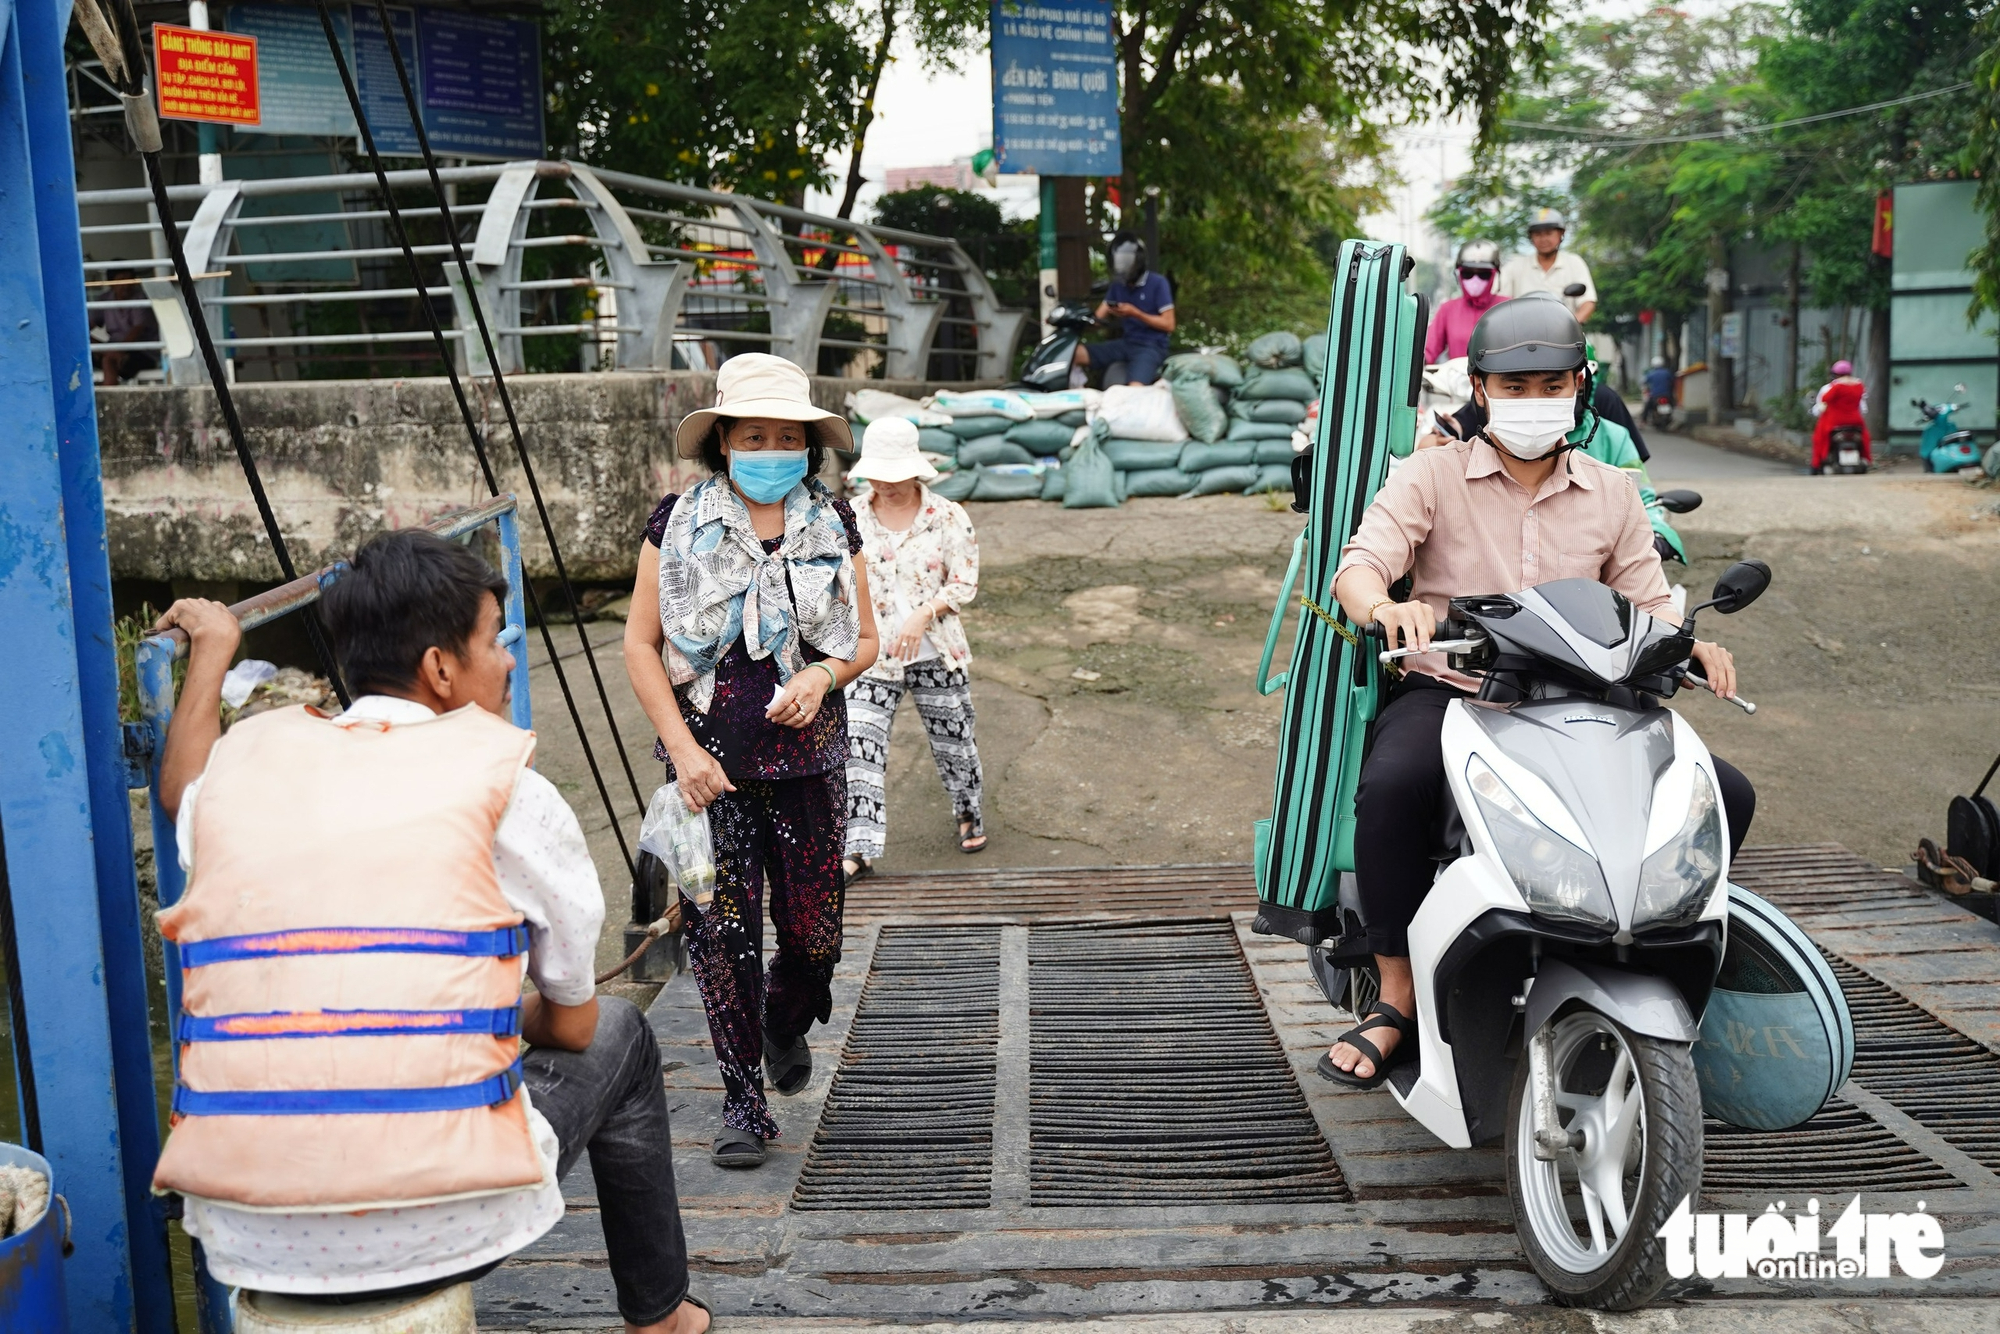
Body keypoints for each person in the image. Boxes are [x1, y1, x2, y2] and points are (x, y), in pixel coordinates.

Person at [148, 530, 709, 1334]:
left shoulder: (248, 765)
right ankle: (661, 1318)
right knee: (623, 1033)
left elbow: (181, 792)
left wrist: (214, 649)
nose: (511, 659)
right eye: (493, 641)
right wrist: (486, 1015)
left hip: (242, 1227)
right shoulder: (508, 786)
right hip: (442, 1225)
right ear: (441, 669)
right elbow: (576, 1024)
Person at [1320, 294, 1755, 1090]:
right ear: (1481, 389)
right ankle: (1395, 996)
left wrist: (1693, 644)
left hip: (1586, 699)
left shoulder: (1614, 490)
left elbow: (1650, 601)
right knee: (1390, 788)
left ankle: (1658, 954)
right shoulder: (1430, 475)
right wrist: (1386, 606)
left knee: (1721, 792)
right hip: (1459, 691)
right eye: (1513, 387)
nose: (1532, 401)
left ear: (1580, 385)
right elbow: (1360, 564)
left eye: (1550, 383)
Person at [623, 353, 878, 1169]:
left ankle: (783, 1018)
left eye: (788, 437)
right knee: (719, 938)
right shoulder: (674, 522)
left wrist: (821, 672)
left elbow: (864, 640)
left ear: (810, 447)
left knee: (814, 939)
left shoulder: (835, 523)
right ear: (724, 441)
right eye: (754, 434)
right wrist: (685, 752)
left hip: (810, 765)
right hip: (710, 777)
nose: (771, 448)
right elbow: (640, 643)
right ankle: (742, 1100)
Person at [840, 419, 987, 881]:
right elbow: (835, 582)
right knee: (858, 745)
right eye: (878, 475)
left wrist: (924, 612)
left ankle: (968, 811)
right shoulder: (851, 517)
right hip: (871, 657)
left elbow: (964, 581)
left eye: (896, 474)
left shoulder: (947, 516)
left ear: (916, 471)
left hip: (934, 652)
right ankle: (857, 846)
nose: (886, 484)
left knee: (955, 742)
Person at [1074, 231, 1174, 386]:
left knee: (1134, 389)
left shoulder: (1158, 283)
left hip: (1151, 346)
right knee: (1074, 354)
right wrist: (1077, 319)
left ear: (1138, 261)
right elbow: (1098, 319)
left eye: (1126, 261)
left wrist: (1136, 313)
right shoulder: (1117, 286)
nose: (1122, 266)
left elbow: (1169, 324)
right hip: (1126, 343)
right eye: (1119, 262)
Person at [1498, 207, 1596, 324]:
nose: (1543, 239)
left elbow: (1588, 302)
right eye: (1538, 234)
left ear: (1561, 234)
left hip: (1566, 336)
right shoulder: (1514, 266)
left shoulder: (1574, 263)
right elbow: (1500, 303)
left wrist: (1571, 324)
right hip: (1522, 335)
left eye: (1549, 233)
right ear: (1531, 237)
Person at [1425, 240, 1507, 364]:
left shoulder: (1507, 307)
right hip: (1457, 380)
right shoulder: (1447, 309)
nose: (1475, 279)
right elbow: (1429, 351)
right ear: (1458, 274)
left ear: (1495, 274)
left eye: (1483, 274)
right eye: (1468, 273)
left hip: (1498, 381)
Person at [91, 268, 159, 385]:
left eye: (129, 280)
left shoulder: (140, 298)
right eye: (121, 280)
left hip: (142, 351)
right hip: (113, 348)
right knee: (81, 355)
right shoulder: (105, 299)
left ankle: (110, 399)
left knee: (109, 360)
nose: (126, 285)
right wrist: (98, 346)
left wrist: (116, 350)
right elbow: (85, 327)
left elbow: (137, 330)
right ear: (111, 284)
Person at [1810, 359, 1870, 473]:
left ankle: (1817, 464)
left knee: (1819, 439)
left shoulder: (1832, 387)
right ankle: (1864, 459)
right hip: (1856, 421)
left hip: (1835, 422)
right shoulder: (1859, 385)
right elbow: (1863, 409)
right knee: (1865, 438)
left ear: (1835, 374)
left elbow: (1823, 400)